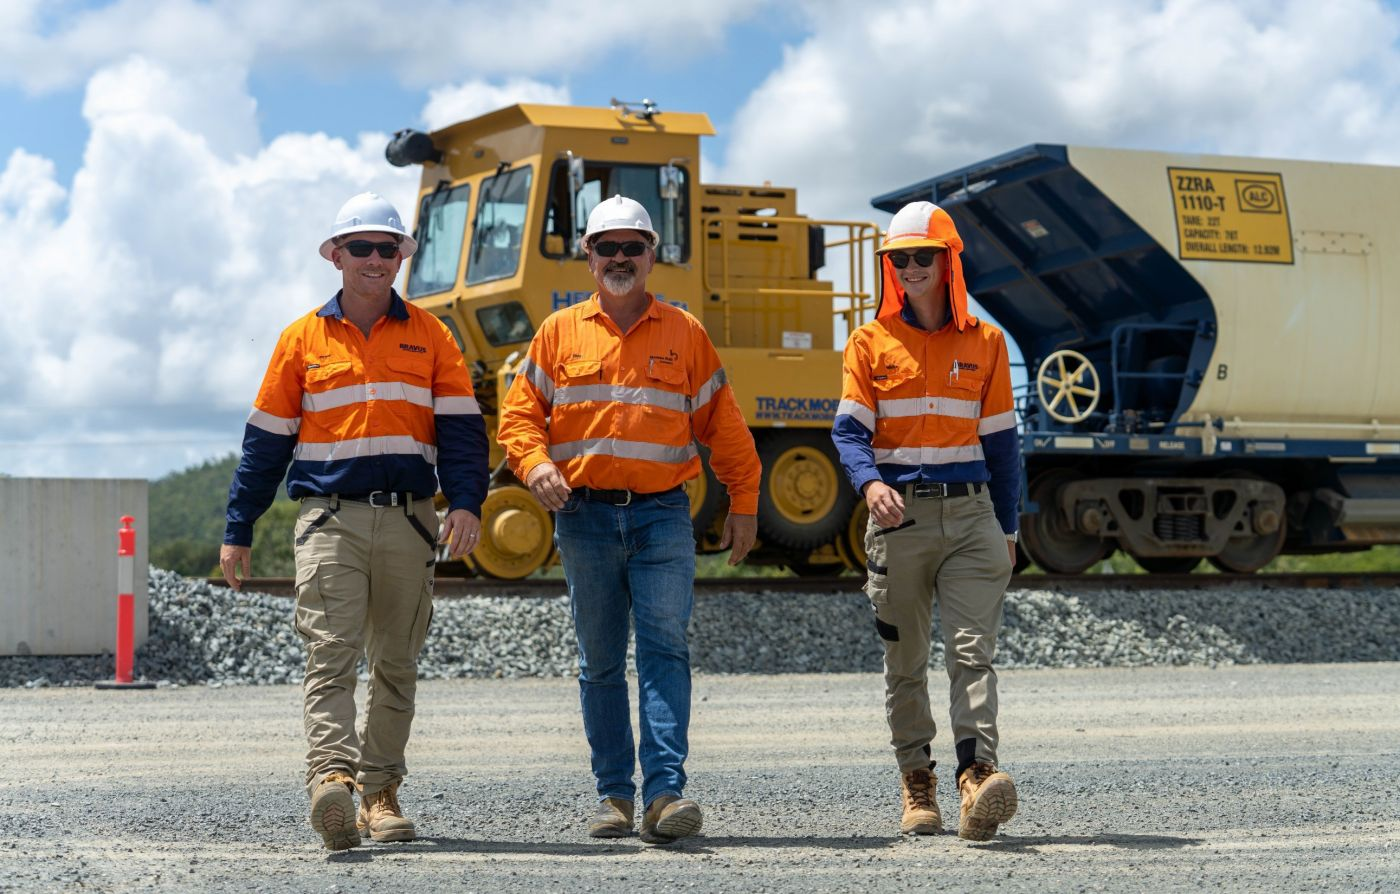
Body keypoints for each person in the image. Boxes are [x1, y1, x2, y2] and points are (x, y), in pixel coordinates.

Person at [219, 192, 489, 851]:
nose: (375, 259)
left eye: (387, 247)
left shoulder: (433, 337)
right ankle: (331, 782)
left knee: (396, 662)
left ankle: (380, 794)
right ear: (335, 256)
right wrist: (239, 526)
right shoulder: (300, 340)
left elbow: (461, 433)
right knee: (331, 656)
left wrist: (467, 502)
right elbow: (266, 443)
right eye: (361, 247)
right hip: (329, 522)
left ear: (402, 257)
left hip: (410, 522)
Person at [497, 195, 760, 844]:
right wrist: (534, 467)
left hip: (662, 516)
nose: (619, 257)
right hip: (582, 517)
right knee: (602, 661)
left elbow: (724, 429)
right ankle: (615, 796)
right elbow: (519, 418)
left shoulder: (685, 333)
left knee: (666, 648)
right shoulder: (557, 334)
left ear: (651, 257)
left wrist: (746, 504)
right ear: (587, 256)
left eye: (631, 247)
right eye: (606, 246)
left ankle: (665, 795)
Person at [832, 200, 1021, 841]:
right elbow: (849, 434)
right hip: (900, 519)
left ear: (948, 262)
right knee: (905, 663)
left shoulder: (987, 343)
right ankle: (919, 785)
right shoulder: (868, 342)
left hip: (973, 517)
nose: (910, 267)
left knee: (974, 655)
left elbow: (1003, 448)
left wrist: (1009, 527)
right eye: (899, 258)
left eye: (923, 256)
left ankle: (977, 778)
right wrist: (871, 483)